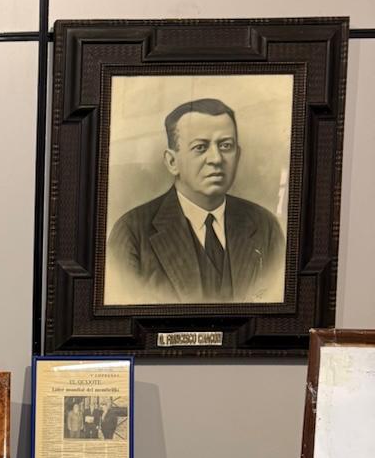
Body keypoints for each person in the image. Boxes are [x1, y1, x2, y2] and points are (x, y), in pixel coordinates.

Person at [106, 98, 285, 304]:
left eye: (226, 145)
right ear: (172, 162)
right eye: (200, 147)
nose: (216, 159)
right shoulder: (131, 233)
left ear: (238, 155)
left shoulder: (265, 226)